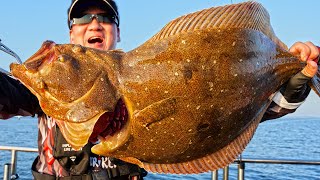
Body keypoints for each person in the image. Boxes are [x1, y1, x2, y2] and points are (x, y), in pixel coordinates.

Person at [0, 0, 318, 179]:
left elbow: (262, 109)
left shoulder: (151, 67)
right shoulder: (43, 97)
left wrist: (299, 76)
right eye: (82, 17)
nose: (94, 23)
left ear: (117, 32)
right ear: (71, 32)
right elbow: (14, 95)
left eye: (104, 17)